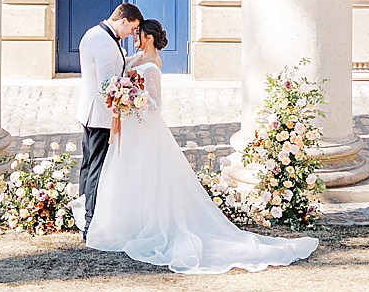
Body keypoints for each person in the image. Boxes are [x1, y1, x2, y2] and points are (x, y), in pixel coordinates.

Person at [79, 18, 319, 275]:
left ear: (148, 37)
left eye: (138, 33)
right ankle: (128, 223)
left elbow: (156, 106)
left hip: (145, 129)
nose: (134, 37)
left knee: (147, 175)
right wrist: (121, 94)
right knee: (129, 174)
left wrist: (133, 98)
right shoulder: (134, 58)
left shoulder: (152, 67)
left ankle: (148, 226)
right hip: (130, 127)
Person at [75, 2, 143, 237]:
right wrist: (130, 93)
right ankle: (90, 222)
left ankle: (80, 213)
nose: (131, 34)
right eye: (132, 28)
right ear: (123, 20)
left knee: (87, 164)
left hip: (88, 110)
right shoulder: (104, 43)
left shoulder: (92, 33)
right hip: (100, 115)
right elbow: (108, 84)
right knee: (97, 168)